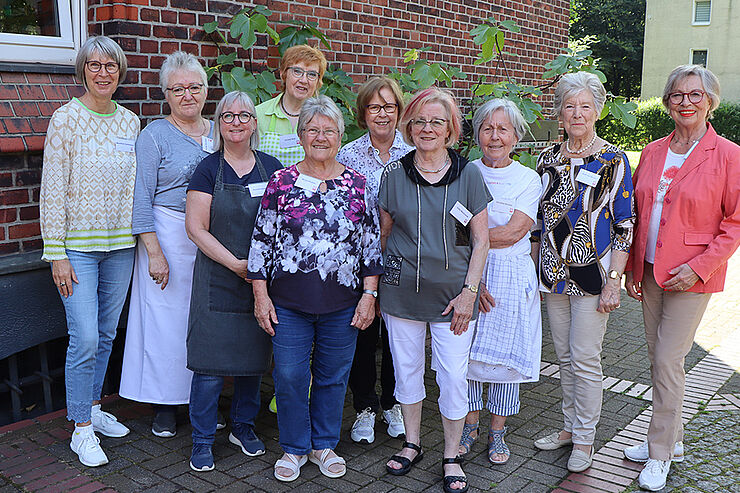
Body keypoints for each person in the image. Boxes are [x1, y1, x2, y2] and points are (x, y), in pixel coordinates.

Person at [247, 95, 382, 482]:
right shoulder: (280, 182)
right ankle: (293, 448)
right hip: (288, 303)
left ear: (341, 136)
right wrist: (261, 296)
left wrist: (369, 296)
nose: (320, 137)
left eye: (329, 130)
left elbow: (371, 245)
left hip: (343, 303)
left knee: (332, 376)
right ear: (301, 135)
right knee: (289, 376)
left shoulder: (358, 184)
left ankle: (323, 444)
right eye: (312, 130)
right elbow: (260, 242)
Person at [622, 65, 740, 491]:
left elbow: (735, 222)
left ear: (710, 101)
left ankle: (659, 453)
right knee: (658, 360)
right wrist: (633, 267)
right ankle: (673, 439)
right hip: (651, 268)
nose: (685, 102)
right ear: (667, 102)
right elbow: (636, 213)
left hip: (692, 275)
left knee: (669, 360)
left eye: (695, 95)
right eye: (677, 95)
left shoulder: (728, 154)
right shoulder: (653, 151)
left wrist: (699, 266)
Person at [379, 87, 490, 493]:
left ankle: (451, 453)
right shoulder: (393, 174)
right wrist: (380, 288)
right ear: (409, 127)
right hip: (402, 294)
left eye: (436, 121)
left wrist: (470, 292)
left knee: (453, 376)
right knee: (406, 372)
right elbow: (385, 234)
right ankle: (412, 443)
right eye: (419, 121)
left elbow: (481, 241)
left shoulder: (469, 174)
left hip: (453, 299)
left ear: (450, 130)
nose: (427, 128)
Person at [39, 35, 138, 467]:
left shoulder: (131, 122)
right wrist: (55, 252)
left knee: (108, 333)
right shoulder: (66, 119)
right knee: (85, 337)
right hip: (76, 249)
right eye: (94, 65)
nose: (103, 73)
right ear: (82, 70)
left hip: (121, 246)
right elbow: (52, 188)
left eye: (111, 66)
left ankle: (94, 409)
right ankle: (80, 428)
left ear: (120, 72)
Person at [531, 71, 635, 473]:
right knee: (563, 356)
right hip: (555, 273)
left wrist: (615, 281)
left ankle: (586, 439)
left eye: (585, 106)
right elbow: (541, 220)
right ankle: (569, 428)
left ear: (598, 111)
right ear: (560, 111)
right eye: (569, 105)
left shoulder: (613, 159)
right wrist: (539, 270)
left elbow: (625, 223)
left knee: (585, 357)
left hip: (594, 275)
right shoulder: (548, 158)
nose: (577, 113)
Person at [184, 91, 283, 472]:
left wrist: (256, 270)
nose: (237, 122)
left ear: (255, 123)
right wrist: (235, 263)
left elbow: (283, 224)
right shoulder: (207, 169)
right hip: (216, 278)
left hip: (258, 281)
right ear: (219, 123)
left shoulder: (272, 169)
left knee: (252, 363)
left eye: (245, 115)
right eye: (228, 116)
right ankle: (202, 439)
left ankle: (243, 426)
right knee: (209, 368)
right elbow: (196, 228)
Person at [120, 51, 214, 438]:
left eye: (194, 87)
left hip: (209, 238)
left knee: (202, 322)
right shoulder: (154, 135)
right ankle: (164, 405)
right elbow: (140, 197)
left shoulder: (219, 131)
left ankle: (200, 400)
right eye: (178, 89)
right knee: (165, 325)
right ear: (166, 94)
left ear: (206, 90)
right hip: (167, 236)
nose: (187, 95)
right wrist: (153, 252)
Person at [458, 99, 542, 465]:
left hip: (510, 276)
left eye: (503, 129)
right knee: (467, 355)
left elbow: (514, 231)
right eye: (487, 128)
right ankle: (469, 427)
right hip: (469, 273)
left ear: (516, 136)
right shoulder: (464, 172)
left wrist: (477, 238)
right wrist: (474, 281)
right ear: (477, 134)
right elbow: (452, 230)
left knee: (506, 359)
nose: (494, 136)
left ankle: (498, 431)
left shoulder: (528, 178)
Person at [336, 76, 413, 444]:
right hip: (359, 260)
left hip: (404, 259)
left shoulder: (414, 152)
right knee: (363, 336)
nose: (381, 114)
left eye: (389, 107)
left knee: (399, 336)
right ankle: (365, 406)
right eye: (374, 107)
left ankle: (393, 403)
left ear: (399, 111)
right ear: (363, 113)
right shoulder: (347, 155)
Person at [256, 44, 327, 167]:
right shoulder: (259, 114)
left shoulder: (325, 118)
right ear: (283, 74)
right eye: (297, 71)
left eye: (311, 74)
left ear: (318, 81)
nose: (304, 80)